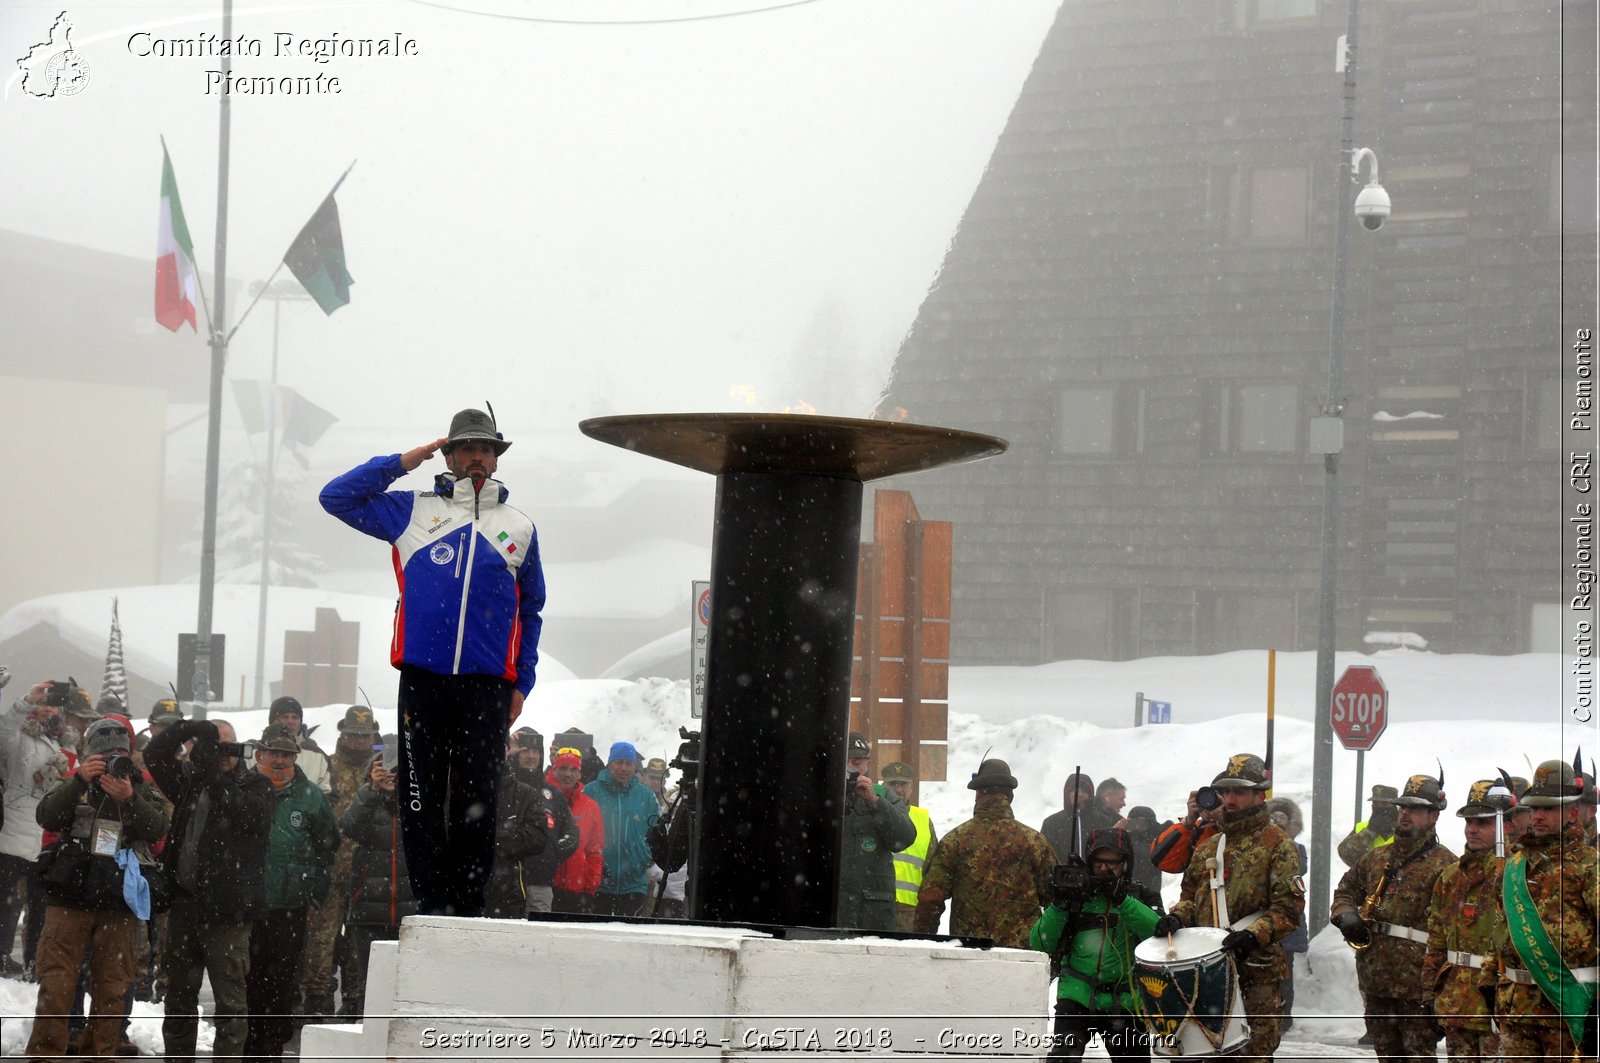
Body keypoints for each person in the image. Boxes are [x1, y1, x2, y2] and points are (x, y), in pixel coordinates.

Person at [320, 408, 546, 918]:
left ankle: (466, 905)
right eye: (466, 449)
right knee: (418, 790)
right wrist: (404, 461)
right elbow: (335, 497)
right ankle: (431, 899)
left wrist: (522, 683)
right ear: (447, 455)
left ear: (495, 458)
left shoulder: (520, 528)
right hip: (424, 678)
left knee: (478, 798)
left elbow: (531, 611)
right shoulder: (411, 510)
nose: (477, 459)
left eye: (485, 450)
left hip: (488, 685)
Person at [25, 716, 168, 1062]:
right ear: (91, 754)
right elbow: (46, 815)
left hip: (118, 897)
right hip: (70, 894)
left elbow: (158, 828)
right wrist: (78, 781)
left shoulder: (142, 786)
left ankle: (101, 1052)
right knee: (56, 982)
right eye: (105, 755)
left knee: (112, 986)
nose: (112, 761)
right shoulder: (76, 781)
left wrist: (130, 798)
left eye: (120, 753)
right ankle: (45, 1054)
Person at [1154, 753, 1304, 1063]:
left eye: (1240, 791)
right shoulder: (1210, 846)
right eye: (1227, 791)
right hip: (1208, 972)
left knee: (1252, 1055)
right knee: (1202, 1054)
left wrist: (1252, 936)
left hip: (1256, 973)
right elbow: (1190, 897)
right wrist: (1176, 917)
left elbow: (1288, 910)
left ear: (1259, 795)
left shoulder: (1278, 844)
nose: (1231, 798)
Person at [147, 716, 271, 1062]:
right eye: (215, 745)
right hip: (186, 903)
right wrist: (191, 730)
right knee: (179, 998)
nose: (222, 753)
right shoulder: (190, 781)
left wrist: (215, 777)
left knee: (230, 1001)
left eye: (227, 745)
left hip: (229, 911)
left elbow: (253, 819)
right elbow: (155, 754)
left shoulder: (255, 785)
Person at [1330, 772, 1456, 1063]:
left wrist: (1440, 989)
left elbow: (1454, 931)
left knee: (1419, 1057)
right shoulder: (1375, 858)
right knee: (1386, 1057)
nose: (1405, 814)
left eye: (1414, 808)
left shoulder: (1447, 866)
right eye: (1403, 807)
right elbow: (1345, 891)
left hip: (1417, 985)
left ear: (1433, 815)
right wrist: (1346, 916)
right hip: (1375, 979)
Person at [1487, 758, 1599, 1063]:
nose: (1538, 815)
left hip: (1569, 1011)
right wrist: (1487, 985)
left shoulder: (1591, 866)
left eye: (1549, 808)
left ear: (1573, 811)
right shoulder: (1514, 865)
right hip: (1516, 1010)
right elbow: (1499, 931)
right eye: (1534, 808)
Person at [243, 724, 339, 1062]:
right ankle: (249, 1043)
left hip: (292, 906)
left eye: (287, 754)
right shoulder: (243, 788)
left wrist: (314, 895)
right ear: (259, 754)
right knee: (248, 977)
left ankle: (273, 1045)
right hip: (248, 906)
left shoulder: (310, 796)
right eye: (274, 753)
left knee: (282, 978)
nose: (281, 760)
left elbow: (328, 849)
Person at [1031, 827, 1162, 1061]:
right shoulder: (1076, 896)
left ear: (1126, 863)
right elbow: (1041, 943)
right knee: (1063, 1058)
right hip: (1076, 995)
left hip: (1124, 1000)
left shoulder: (1142, 896)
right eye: (1098, 861)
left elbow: (1157, 935)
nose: (1104, 868)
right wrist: (1059, 904)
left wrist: (1122, 899)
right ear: (1088, 861)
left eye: (1112, 862)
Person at [913, 757, 1053, 947]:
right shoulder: (1034, 842)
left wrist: (922, 941)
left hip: (969, 952)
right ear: (1010, 797)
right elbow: (1054, 900)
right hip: (1021, 958)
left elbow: (931, 899)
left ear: (977, 794)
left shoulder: (955, 841)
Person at [299, 704, 382, 1020]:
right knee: (322, 940)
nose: (359, 741)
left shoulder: (381, 771)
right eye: (353, 735)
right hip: (330, 868)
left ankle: (354, 998)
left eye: (365, 736)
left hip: (366, 871)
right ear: (342, 735)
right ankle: (317, 998)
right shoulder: (327, 767)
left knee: (359, 941)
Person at [1422, 778, 1512, 1063]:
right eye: (1469, 822)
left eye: (1482, 822)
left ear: (1504, 825)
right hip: (1456, 1004)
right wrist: (1429, 995)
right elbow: (1436, 942)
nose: (1472, 829)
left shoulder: (1515, 874)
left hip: (1496, 1006)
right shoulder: (1450, 877)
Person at [0, 678, 75, 979]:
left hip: (46, 833)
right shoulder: (18, 733)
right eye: (44, 704)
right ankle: (2, 956)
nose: (48, 710)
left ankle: (36, 962)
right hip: (13, 830)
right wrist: (26, 700)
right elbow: (4, 729)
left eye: (53, 705)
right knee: (7, 902)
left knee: (42, 906)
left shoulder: (64, 741)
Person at [339, 748, 416, 1019]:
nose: (391, 776)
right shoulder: (368, 801)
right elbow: (349, 826)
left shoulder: (416, 804)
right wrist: (373, 789)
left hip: (410, 912)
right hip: (369, 912)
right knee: (370, 986)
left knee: (407, 987)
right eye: (384, 770)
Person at [837, 732, 917, 932]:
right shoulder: (822, 793)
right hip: (835, 909)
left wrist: (875, 802)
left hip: (872, 912)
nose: (850, 768)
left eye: (856, 763)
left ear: (867, 765)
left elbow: (904, 838)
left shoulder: (882, 795)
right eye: (845, 762)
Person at [507, 730, 579, 915]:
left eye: (536, 751)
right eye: (525, 751)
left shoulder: (553, 794)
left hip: (540, 883)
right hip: (505, 880)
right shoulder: (503, 787)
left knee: (537, 940)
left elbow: (572, 833)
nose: (531, 756)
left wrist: (551, 854)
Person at [590, 741, 660, 917]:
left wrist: (645, 859)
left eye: (628, 763)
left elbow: (656, 835)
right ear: (609, 764)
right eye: (618, 762)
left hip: (634, 883)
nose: (623, 768)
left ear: (635, 766)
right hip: (598, 882)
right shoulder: (591, 792)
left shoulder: (646, 796)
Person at [484, 756, 549, 919]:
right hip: (465, 890)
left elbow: (538, 838)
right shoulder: (461, 789)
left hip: (509, 893)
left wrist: (494, 840)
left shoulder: (525, 793)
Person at [1265, 796, 1309, 1027]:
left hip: (1287, 920)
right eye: (1274, 816)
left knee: (1284, 971)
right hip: (1262, 919)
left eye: (1282, 817)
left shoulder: (1297, 849)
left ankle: (1284, 1017)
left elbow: (1296, 870)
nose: (1277, 820)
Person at [882, 760, 939, 932]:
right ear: (883, 785)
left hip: (910, 913)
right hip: (877, 906)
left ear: (911, 787)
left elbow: (934, 871)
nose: (899, 789)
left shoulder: (923, 821)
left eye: (903, 784)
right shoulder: (872, 814)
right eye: (893, 784)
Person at [548, 747, 604, 913]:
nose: (568, 774)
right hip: (545, 885)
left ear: (579, 774)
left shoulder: (590, 806)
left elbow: (595, 851)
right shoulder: (540, 798)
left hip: (577, 890)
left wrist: (591, 888)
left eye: (573, 769)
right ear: (554, 769)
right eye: (563, 768)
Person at [266, 696, 332, 797]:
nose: (290, 722)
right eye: (285, 717)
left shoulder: (318, 756)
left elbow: (328, 795)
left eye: (295, 717)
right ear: (272, 721)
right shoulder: (255, 752)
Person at [1042, 772, 1113, 863]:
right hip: (1061, 875)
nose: (1080, 794)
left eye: (1084, 791)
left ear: (1090, 796)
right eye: (1075, 790)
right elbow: (1044, 856)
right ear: (1067, 794)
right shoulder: (1051, 823)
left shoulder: (1103, 821)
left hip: (1094, 876)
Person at [1150, 787, 1221, 875]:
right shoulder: (1200, 830)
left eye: (1238, 793)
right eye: (1219, 799)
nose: (1230, 801)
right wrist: (1188, 822)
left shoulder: (1243, 830)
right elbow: (1162, 861)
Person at [1338, 783, 1399, 868]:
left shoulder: (1405, 827)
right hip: (1370, 879)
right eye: (1375, 804)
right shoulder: (1362, 827)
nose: (1379, 807)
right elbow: (1345, 853)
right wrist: (1370, 831)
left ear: (1396, 806)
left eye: (1384, 804)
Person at [1121, 805, 1164, 899]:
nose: (1131, 826)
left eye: (1134, 822)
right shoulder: (1127, 839)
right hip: (1134, 893)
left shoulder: (1155, 841)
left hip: (1147, 893)